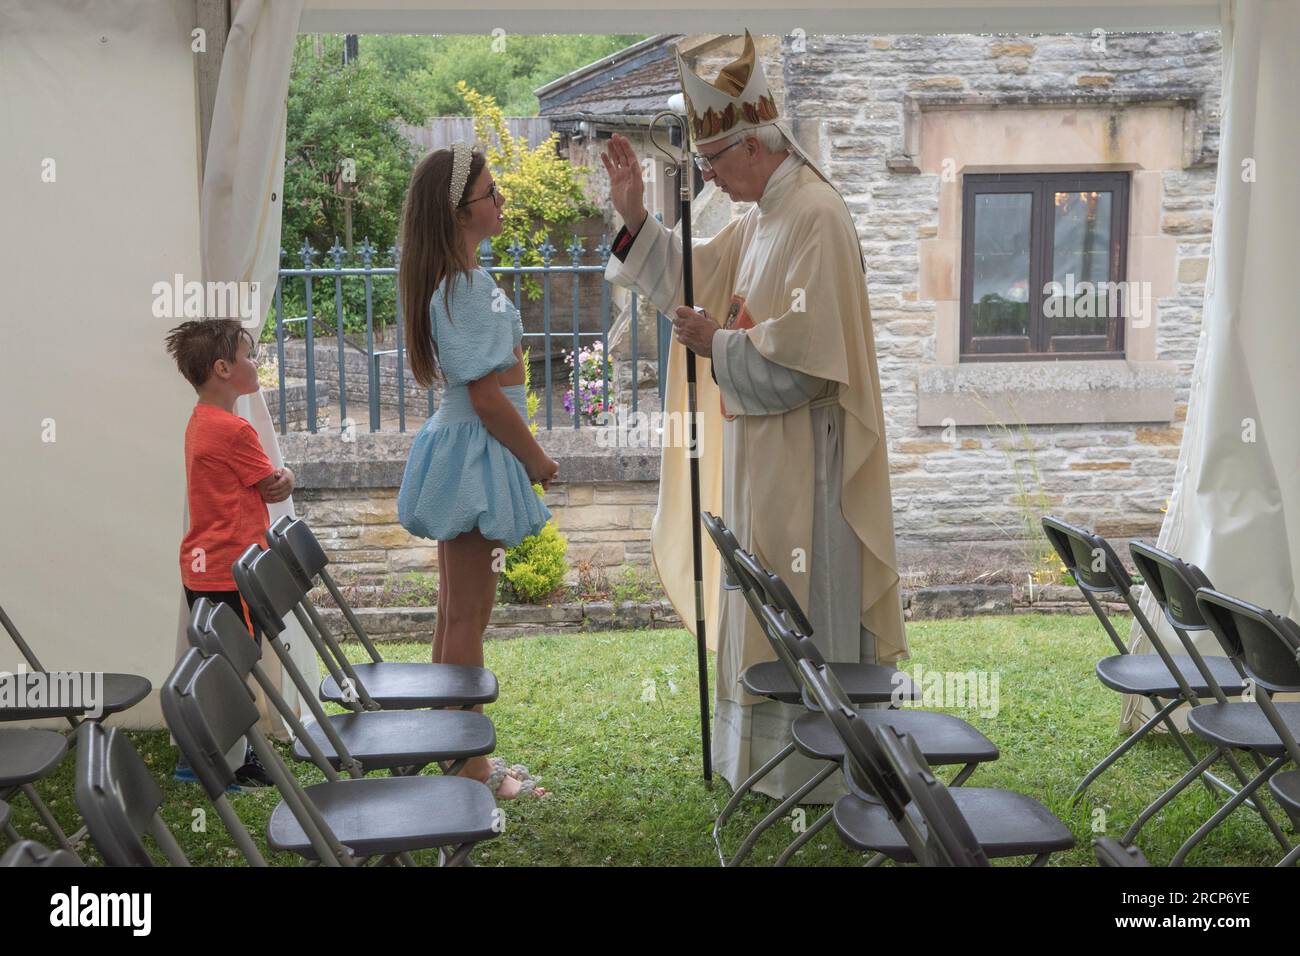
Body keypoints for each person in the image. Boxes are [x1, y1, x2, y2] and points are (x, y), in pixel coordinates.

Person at [602, 31, 907, 801]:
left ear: (750, 146)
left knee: (805, 603)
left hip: (808, 464)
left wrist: (719, 344)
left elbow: (807, 364)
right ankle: (769, 765)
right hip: (762, 452)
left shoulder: (814, 216)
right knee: (766, 602)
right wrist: (636, 217)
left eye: (711, 164)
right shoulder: (766, 211)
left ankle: (823, 771)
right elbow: (694, 272)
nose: (708, 177)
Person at [396, 141, 557, 800]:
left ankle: (454, 751)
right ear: (461, 212)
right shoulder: (464, 287)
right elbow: (489, 395)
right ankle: (470, 770)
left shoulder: (460, 281)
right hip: (476, 455)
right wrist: (536, 458)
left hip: (464, 451)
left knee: (453, 612)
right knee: (468, 615)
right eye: (491, 194)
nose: (500, 202)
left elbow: (493, 381)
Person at [164, 318, 295, 788]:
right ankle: (229, 764)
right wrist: (288, 479)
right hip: (231, 568)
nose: (254, 362)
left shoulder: (200, 421)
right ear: (223, 368)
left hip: (202, 565)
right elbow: (272, 486)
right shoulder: (235, 430)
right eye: (248, 355)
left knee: (209, 665)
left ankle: (194, 758)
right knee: (235, 669)